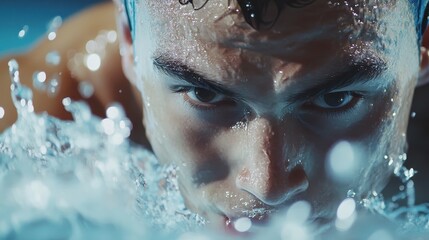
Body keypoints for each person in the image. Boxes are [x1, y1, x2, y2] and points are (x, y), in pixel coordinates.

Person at [1, 0, 429, 233]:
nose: (269, 185)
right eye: (205, 94)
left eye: (336, 99)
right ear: (130, 44)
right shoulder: (37, 120)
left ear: (423, 46)